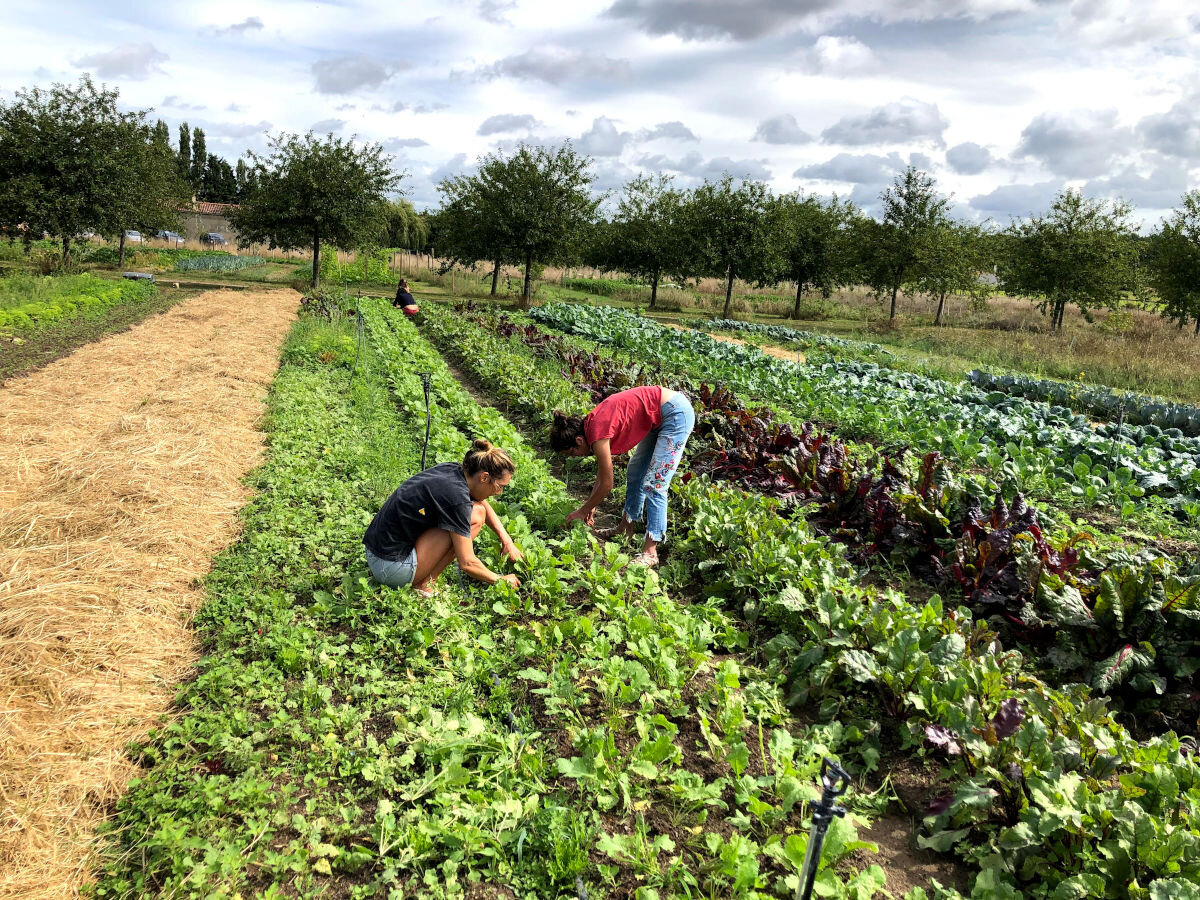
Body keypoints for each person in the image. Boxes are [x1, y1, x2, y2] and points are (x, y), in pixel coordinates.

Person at [550, 385, 695, 567]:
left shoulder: (596, 432)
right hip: (658, 416)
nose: (574, 457)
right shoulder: (589, 428)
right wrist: (591, 506)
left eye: (572, 453)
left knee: (655, 483)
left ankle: (651, 552)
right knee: (635, 472)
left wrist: (583, 510)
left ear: (578, 441)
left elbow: (607, 484)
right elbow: (602, 474)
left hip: (675, 413)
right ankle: (626, 528)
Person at [363, 439, 523, 596]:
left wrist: (507, 541)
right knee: (475, 515)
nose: (498, 493)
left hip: (376, 554)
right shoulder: (456, 498)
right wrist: (500, 580)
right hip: (391, 569)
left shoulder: (455, 471)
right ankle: (425, 584)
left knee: (477, 510)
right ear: (484, 478)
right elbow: (467, 563)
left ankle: (422, 579)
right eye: (500, 486)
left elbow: (481, 503)